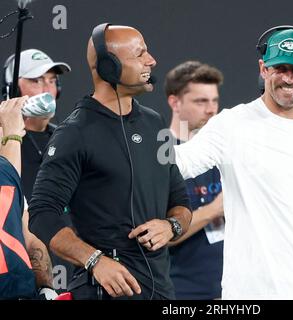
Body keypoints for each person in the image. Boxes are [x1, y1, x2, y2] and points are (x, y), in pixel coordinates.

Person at [174, 26, 293, 299]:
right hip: (253, 295)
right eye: (280, 68)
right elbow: (182, 163)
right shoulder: (232, 124)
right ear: (263, 69)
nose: (288, 78)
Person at [28, 24, 192, 300]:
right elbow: (43, 214)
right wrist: (95, 260)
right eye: (140, 54)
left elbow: (181, 203)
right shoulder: (74, 133)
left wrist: (171, 226)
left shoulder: (155, 123)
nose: (151, 61)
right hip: (102, 292)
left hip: (161, 291)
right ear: (108, 67)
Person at [3, 49, 73, 293]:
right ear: (12, 89)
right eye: (36, 80)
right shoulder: (5, 142)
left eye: (52, 81)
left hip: (72, 262)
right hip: (20, 269)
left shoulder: (69, 139)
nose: (47, 89)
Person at [165, 61, 224, 299]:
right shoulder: (160, 157)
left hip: (233, 290)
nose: (211, 109)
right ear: (174, 102)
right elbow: (159, 234)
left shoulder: (225, 154)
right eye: (201, 101)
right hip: (182, 292)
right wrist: (214, 209)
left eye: (214, 101)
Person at [0, 96, 56, 299]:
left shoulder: (10, 184)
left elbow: (30, 238)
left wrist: (47, 288)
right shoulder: (6, 178)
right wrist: (11, 135)